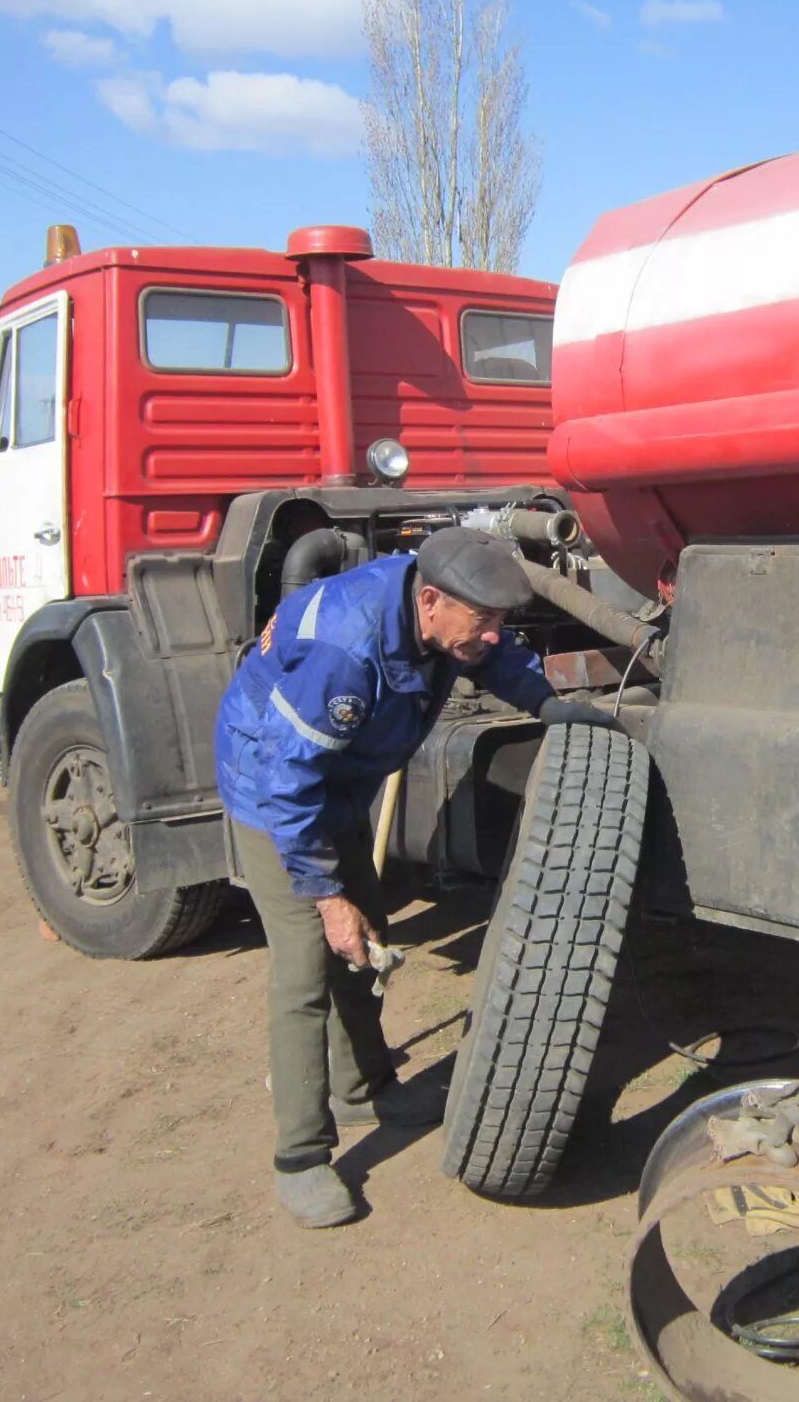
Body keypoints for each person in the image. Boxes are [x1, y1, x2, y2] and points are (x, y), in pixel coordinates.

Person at [214, 526, 612, 1228]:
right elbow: (287, 785)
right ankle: (301, 1157)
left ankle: (365, 1088)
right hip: (272, 789)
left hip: (335, 783)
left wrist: (546, 705)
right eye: (481, 621)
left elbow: (497, 660)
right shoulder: (343, 652)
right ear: (431, 602)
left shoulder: (442, 609)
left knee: (370, 936)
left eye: (498, 621)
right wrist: (327, 896)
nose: (492, 635)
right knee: (311, 960)